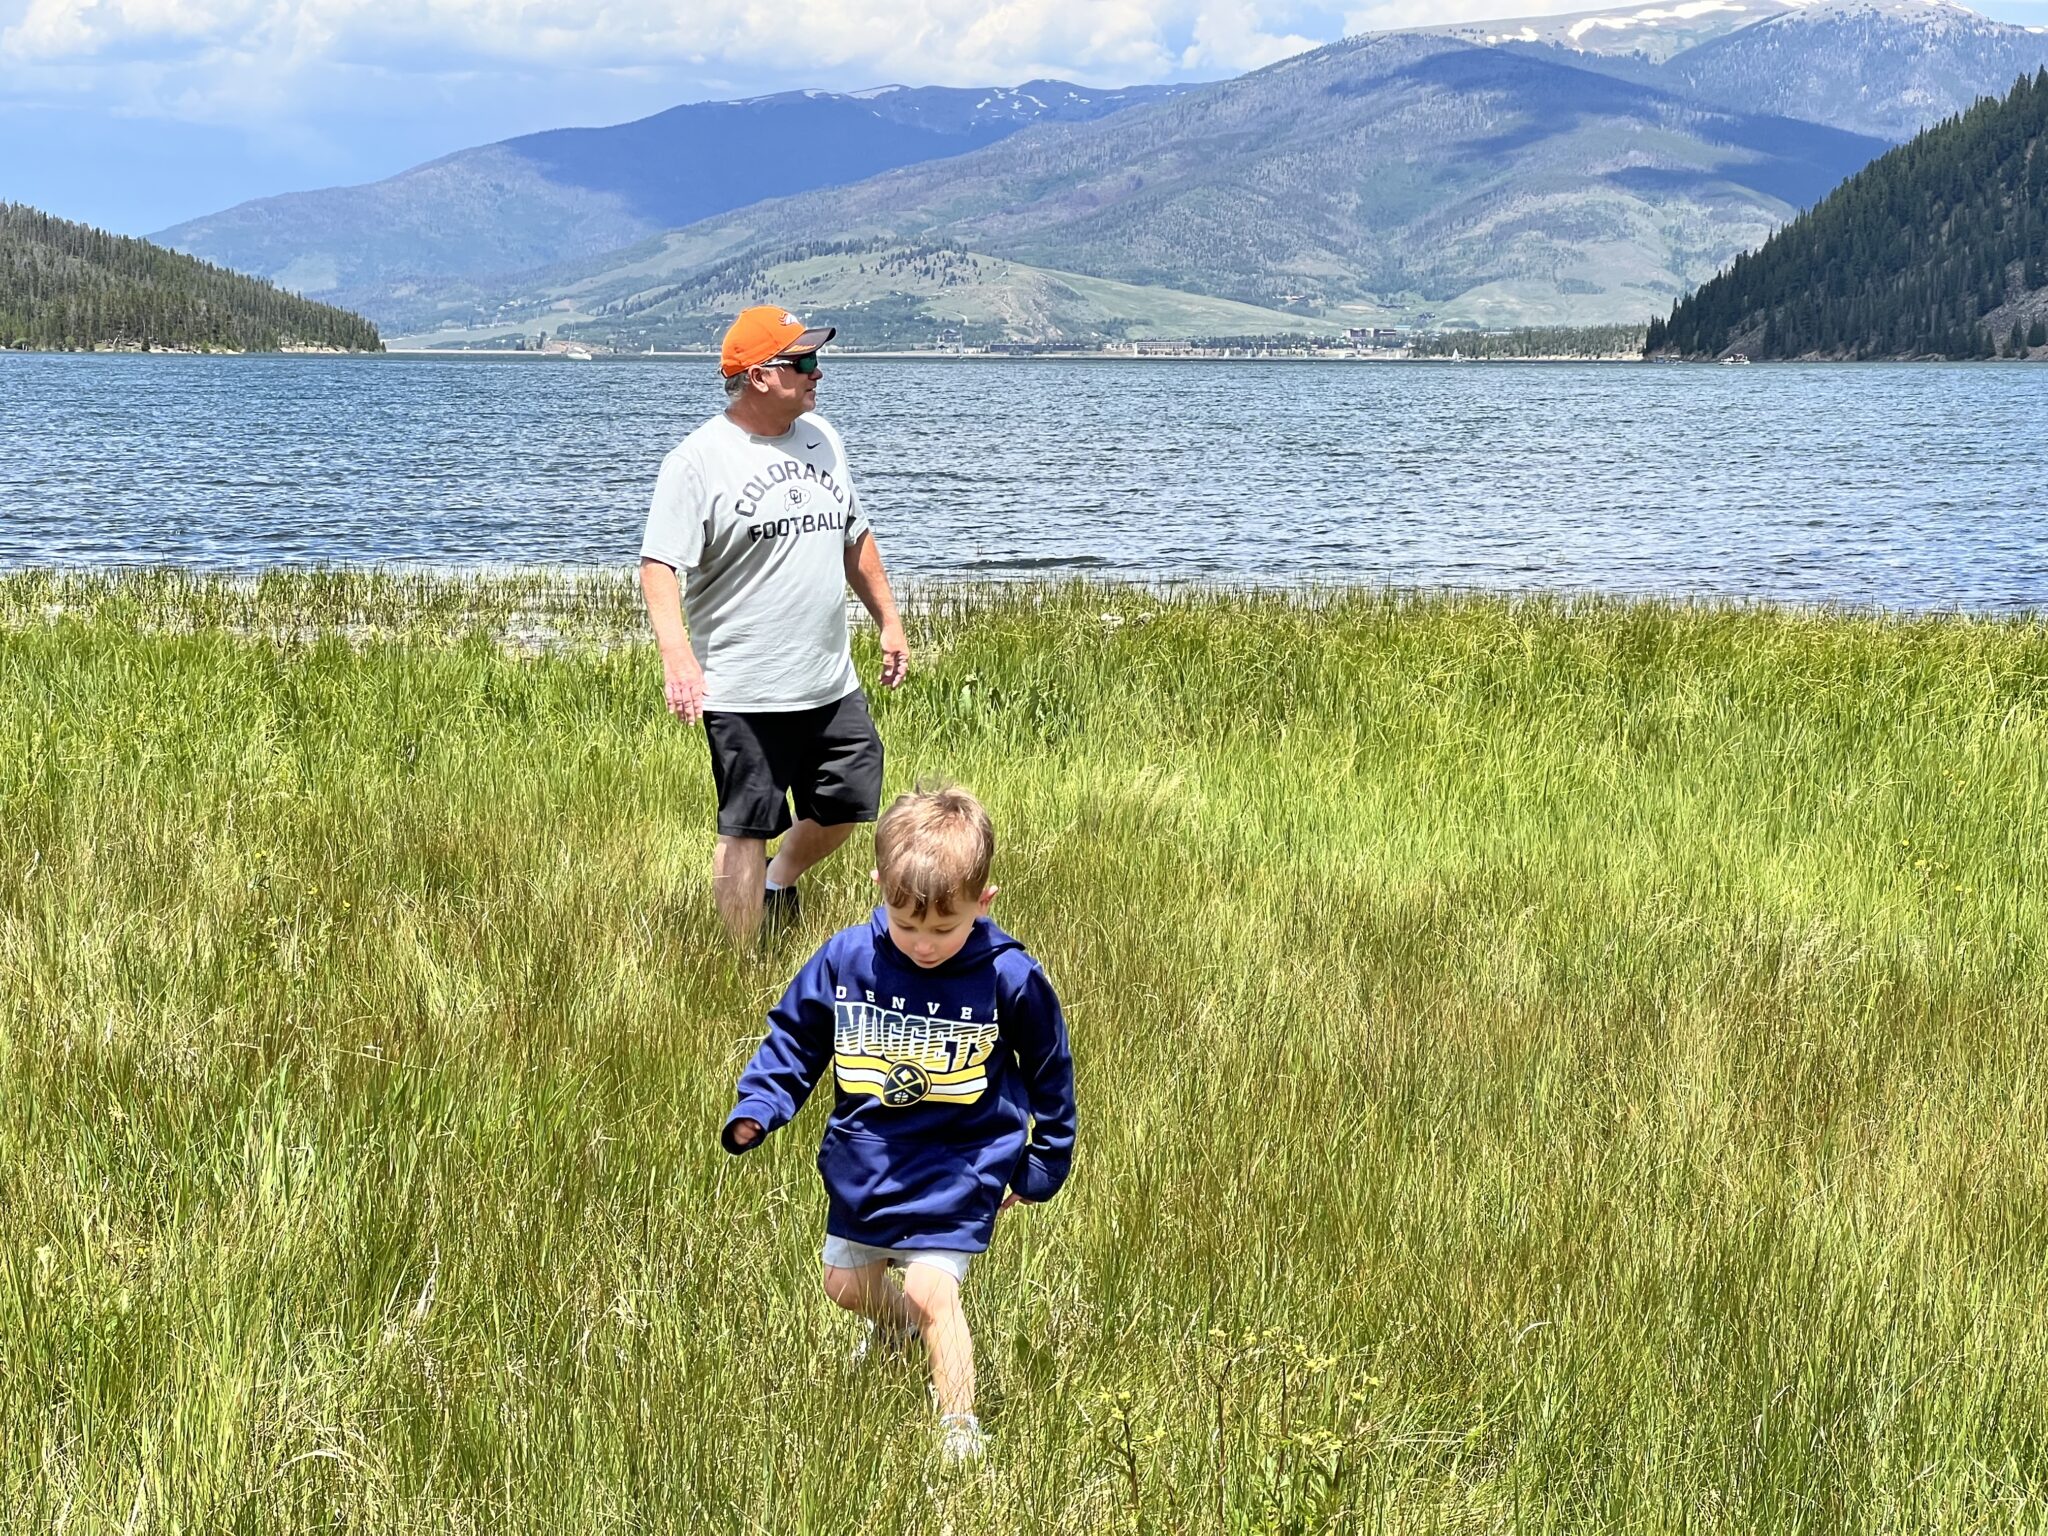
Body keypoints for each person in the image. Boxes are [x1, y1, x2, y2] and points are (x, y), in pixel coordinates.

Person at [720, 786, 1077, 1462]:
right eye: (906, 923)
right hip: (869, 1164)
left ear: (984, 901)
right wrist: (759, 1106)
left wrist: (1042, 1163)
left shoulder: (1010, 977)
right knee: (846, 1287)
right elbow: (796, 1040)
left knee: (929, 1286)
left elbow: (1052, 1072)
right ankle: (896, 1333)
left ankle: (959, 1429)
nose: (923, 943)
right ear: (879, 886)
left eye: (946, 928)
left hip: (961, 1166)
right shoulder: (847, 959)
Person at [639, 305, 910, 943]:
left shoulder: (823, 438)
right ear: (760, 376)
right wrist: (678, 658)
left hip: (827, 680)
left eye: (816, 359)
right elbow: (658, 567)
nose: (818, 373)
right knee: (745, 824)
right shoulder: (698, 461)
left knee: (850, 799)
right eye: (804, 362)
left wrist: (889, 621)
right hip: (741, 686)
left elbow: (855, 537)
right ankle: (739, 962)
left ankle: (777, 877)